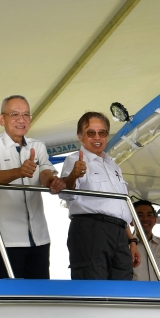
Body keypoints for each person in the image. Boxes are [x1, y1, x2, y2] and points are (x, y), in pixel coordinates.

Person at [0, 95, 65, 279]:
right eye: (15, 114)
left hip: (40, 237)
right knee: (10, 293)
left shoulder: (37, 145)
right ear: (1, 119)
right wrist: (18, 171)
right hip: (7, 239)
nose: (21, 119)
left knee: (40, 291)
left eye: (26, 114)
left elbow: (45, 172)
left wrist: (52, 181)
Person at [60, 112, 140, 279]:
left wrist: (131, 240)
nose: (97, 137)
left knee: (123, 286)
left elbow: (120, 208)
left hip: (120, 233)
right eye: (91, 133)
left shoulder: (113, 166)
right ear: (80, 136)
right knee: (92, 284)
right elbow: (66, 194)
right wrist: (74, 175)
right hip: (91, 229)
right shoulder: (74, 160)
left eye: (102, 133)